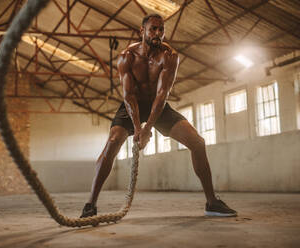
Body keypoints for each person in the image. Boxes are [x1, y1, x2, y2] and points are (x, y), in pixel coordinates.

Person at [80, 14, 237, 218]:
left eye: (161, 29)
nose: (157, 34)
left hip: (158, 106)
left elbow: (162, 95)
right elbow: (128, 95)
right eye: (153, 29)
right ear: (142, 31)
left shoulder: (169, 56)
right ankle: (90, 204)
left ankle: (212, 202)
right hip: (132, 106)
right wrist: (137, 128)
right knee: (112, 142)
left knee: (197, 142)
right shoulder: (126, 56)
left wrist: (148, 128)